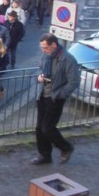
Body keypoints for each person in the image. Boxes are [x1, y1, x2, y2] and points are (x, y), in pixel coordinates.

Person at [32, 33, 79, 165]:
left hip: (55, 98)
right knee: (39, 128)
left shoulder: (68, 59)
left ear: (54, 45)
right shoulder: (46, 56)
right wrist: (39, 77)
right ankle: (45, 155)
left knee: (47, 128)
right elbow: (39, 70)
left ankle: (66, 148)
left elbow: (73, 81)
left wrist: (60, 94)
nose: (43, 50)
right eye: (42, 47)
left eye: (45, 47)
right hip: (42, 95)